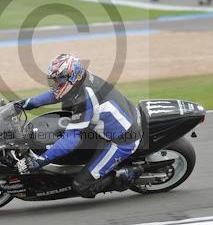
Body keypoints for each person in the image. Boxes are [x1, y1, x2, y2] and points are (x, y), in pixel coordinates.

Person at [15, 54, 143, 199]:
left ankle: (128, 175)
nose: (56, 84)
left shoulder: (84, 98)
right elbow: (55, 95)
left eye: (59, 80)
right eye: (54, 80)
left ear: (72, 77)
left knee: (81, 185)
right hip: (115, 122)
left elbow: (71, 140)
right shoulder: (79, 82)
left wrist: (40, 161)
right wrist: (27, 103)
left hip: (123, 141)